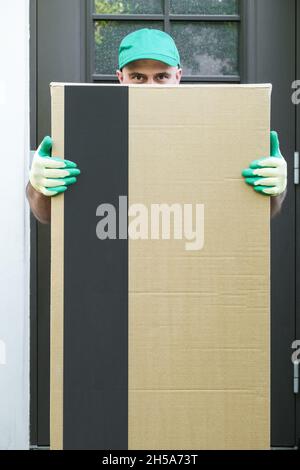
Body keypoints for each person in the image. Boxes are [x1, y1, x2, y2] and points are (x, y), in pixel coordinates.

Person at [26, 28, 287, 224]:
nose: (150, 87)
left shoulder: (213, 130)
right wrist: (38, 188)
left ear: (178, 77)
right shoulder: (89, 128)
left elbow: (260, 214)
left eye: (161, 76)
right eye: (138, 77)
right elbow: (47, 215)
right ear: (120, 78)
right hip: (113, 269)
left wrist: (276, 189)